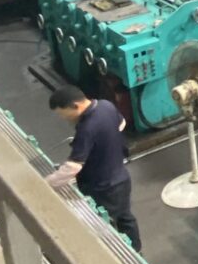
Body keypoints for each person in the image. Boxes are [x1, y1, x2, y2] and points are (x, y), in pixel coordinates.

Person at [46, 84, 142, 252]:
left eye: (64, 114)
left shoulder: (87, 128)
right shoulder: (106, 105)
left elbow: (72, 167)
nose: (64, 118)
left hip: (103, 188)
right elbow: (121, 123)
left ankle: (123, 257)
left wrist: (46, 184)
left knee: (103, 226)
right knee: (125, 217)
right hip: (121, 178)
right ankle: (136, 250)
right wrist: (103, 142)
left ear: (75, 106)